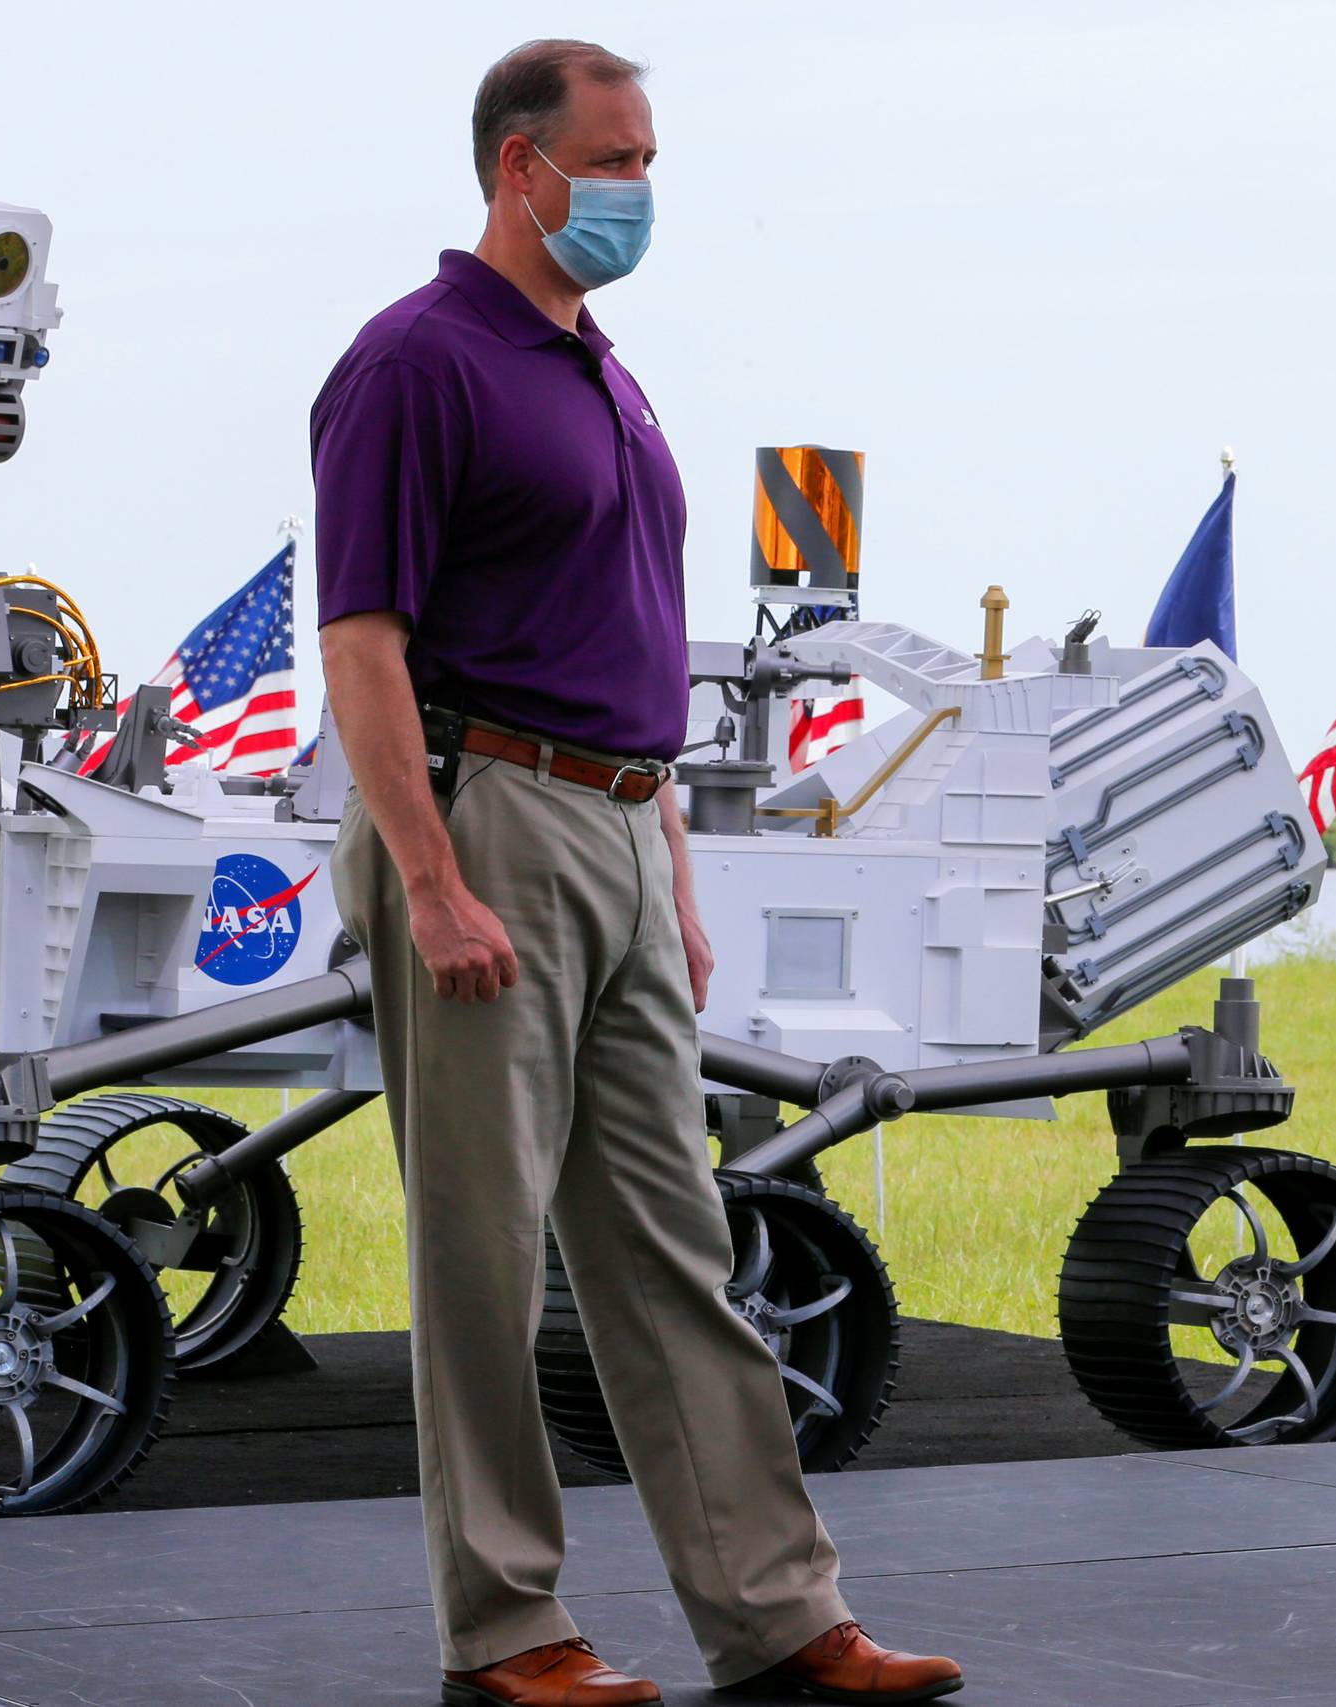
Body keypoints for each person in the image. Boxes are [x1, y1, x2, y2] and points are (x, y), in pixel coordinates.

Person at [312, 38, 964, 1707]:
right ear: (520, 168)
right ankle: (510, 1630)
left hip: (616, 816)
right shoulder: (413, 365)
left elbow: (625, 639)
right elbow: (366, 649)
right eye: (613, 162)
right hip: (489, 820)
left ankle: (775, 1609)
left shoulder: (605, 368)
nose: (638, 192)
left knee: (675, 1240)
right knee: (481, 1247)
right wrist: (436, 884)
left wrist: (667, 860)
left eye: (648, 161)